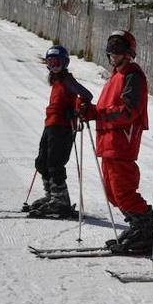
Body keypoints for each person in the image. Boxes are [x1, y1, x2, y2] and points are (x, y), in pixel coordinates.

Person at [76, 30, 153, 253]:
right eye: (110, 48)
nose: (112, 53)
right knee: (111, 192)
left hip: (122, 141)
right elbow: (105, 109)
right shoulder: (117, 75)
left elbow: (128, 110)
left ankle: (146, 230)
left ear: (128, 52)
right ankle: (138, 227)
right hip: (109, 140)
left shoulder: (132, 76)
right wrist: (90, 112)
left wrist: (97, 114)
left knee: (123, 190)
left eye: (117, 48)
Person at [26, 45, 92, 218]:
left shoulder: (67, 80)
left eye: (58, 62)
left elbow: (86, 95)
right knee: (41, 162)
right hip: (51, 124)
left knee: (55, 162)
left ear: (65, 63)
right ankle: (52, 196)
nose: (54, 65)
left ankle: (60, 200)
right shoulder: (56, 80)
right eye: (50, 62)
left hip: (63, 126)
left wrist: (78, 108)